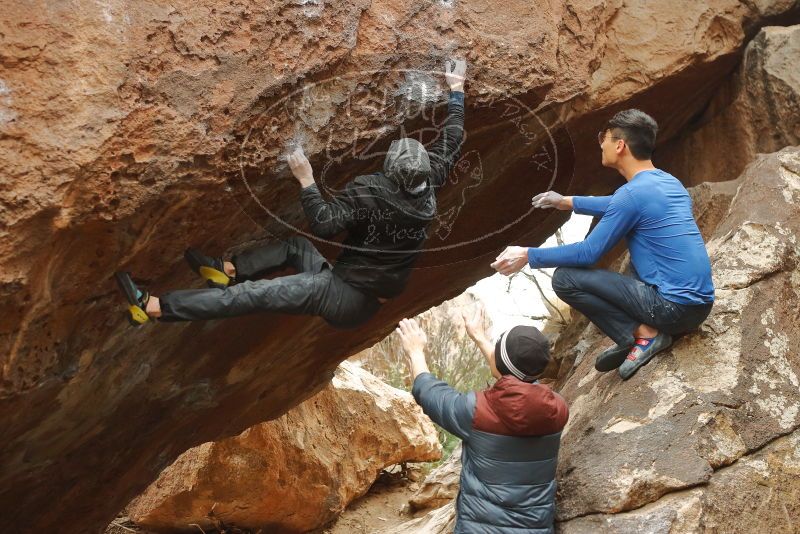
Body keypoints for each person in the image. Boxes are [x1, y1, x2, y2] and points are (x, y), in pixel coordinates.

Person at [114, 59, 467, 329]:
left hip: (344, 295)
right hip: (363, 295)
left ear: (390, 172)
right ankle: (228, 269)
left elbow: (325, 225)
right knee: (293, 249)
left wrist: (307, 180)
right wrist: (457, 89)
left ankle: (155, 308)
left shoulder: (373, 192)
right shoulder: (428, 182)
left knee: (252, 296)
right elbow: (452, 139)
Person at [491, 109, 714, 380]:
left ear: (620, 145)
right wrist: (566, 201)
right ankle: (637, 334)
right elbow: (616, 205)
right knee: (638, 254)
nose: (601, 143)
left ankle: (645, 335)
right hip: (699, 307)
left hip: (671, 310)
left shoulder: (631, 194)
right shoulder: (668, 183)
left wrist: (528, 254)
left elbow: (588, 253)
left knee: (565, 278)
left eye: (603, 137)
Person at [396, 307, 569, 533]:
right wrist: (479, 337)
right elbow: (520, 380)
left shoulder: (477, 412)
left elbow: (428, 392)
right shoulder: (557, 409)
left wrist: (415, 351)